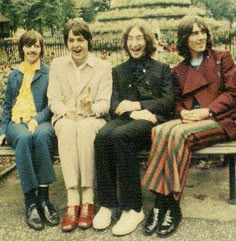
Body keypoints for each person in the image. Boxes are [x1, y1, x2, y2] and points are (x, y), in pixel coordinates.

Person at [142, 15, 236, 238]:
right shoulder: (178, 70)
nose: (200, 36)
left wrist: (208, 110)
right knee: (159, 130)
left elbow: (233, 93)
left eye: (202, 31)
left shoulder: (222, 58)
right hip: (189, 119)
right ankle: (162, 203)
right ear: (185, 38)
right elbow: (175, 101)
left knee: (177, 135)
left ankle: (168, 205)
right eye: (194, 33)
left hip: (219, 119)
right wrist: (182, 112)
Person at [93, 19, 174, 236]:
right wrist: (133, 112)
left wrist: (140, 106)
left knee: (120, 136)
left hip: (152, 122)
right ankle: (108, 204)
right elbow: (113, 104)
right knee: (102, 136)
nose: (134, 43)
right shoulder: (118, 71)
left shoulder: (162, 69)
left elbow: (168, 103)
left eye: (139, 38)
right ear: (125, 43)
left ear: (147, 42)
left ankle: (133, 208)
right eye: (130, 39)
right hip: (129, 118)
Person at [47, 18, 112, 232]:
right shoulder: (57, 65)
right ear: (66, 42)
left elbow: (105, 104)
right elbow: (53, 99)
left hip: (92, 118)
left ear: (88, 42)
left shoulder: (102, 67)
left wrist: (90, 107)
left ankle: (88, 196)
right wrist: (66, 111)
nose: (76, 45)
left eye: (81, 40)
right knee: (67, 127)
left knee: (84, 129)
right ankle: (72, 197)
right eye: (72, 40)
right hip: (66, 117)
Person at [0, 30, 59, 230]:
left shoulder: (48, 73)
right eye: (28, 45)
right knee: (24, 138)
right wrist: (2, 129)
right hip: (17, 122)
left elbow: (52, 104)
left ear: (41, 49)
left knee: (43, 135)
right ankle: (30, 202)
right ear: (22, 48)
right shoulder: (15, 75)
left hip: (41, 120)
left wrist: (37, 119)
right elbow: (7, 105)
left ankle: (43, 199)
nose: (32, 49)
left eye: (36, 45)